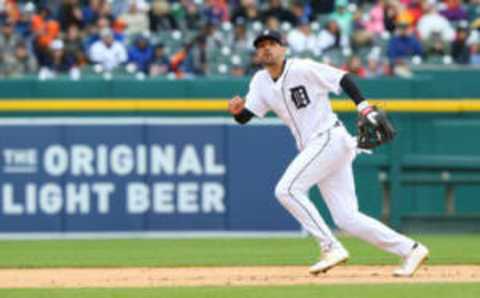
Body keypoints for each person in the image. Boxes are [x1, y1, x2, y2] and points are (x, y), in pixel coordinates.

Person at [227, 29, 429, 277]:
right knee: (347, 218)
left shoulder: (303, 68)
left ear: (283, 48)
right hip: (323, 147)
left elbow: (343, 78)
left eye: (272, 43)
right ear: (257, 53)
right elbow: (247, 116)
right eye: (261, 45)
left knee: (287, 190)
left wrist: (364, 108)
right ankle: (411, 249)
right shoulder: (260, 81)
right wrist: (238, 112)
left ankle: (330, 246)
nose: (267, 48)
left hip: (328, 139)